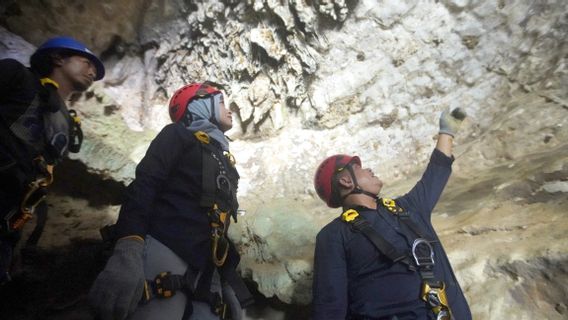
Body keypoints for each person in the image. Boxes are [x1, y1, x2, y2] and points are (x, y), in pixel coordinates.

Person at [89, 82, 254, 320]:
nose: (230, 111)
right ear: (198, 104)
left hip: (205, 266)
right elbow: (145, 186)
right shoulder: (177, 135)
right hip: (166, 246)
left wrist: (224, 279)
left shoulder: (225, 161)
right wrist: (128, 249)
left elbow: (218, 222)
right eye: (221, 103)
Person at [312, 108, 472, 320]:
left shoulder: (407, 207)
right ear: (345, 180)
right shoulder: (334, 235)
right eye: (359, 168)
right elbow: (330, 307)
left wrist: (446, 132)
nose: (368, 170)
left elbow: (437, 171)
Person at [0, 36, 105, 284]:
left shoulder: (65, 122)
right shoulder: (17, 76)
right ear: (58, 57)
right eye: (86, 62)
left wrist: (14, 241)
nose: (92, 72)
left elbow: (35, 180)